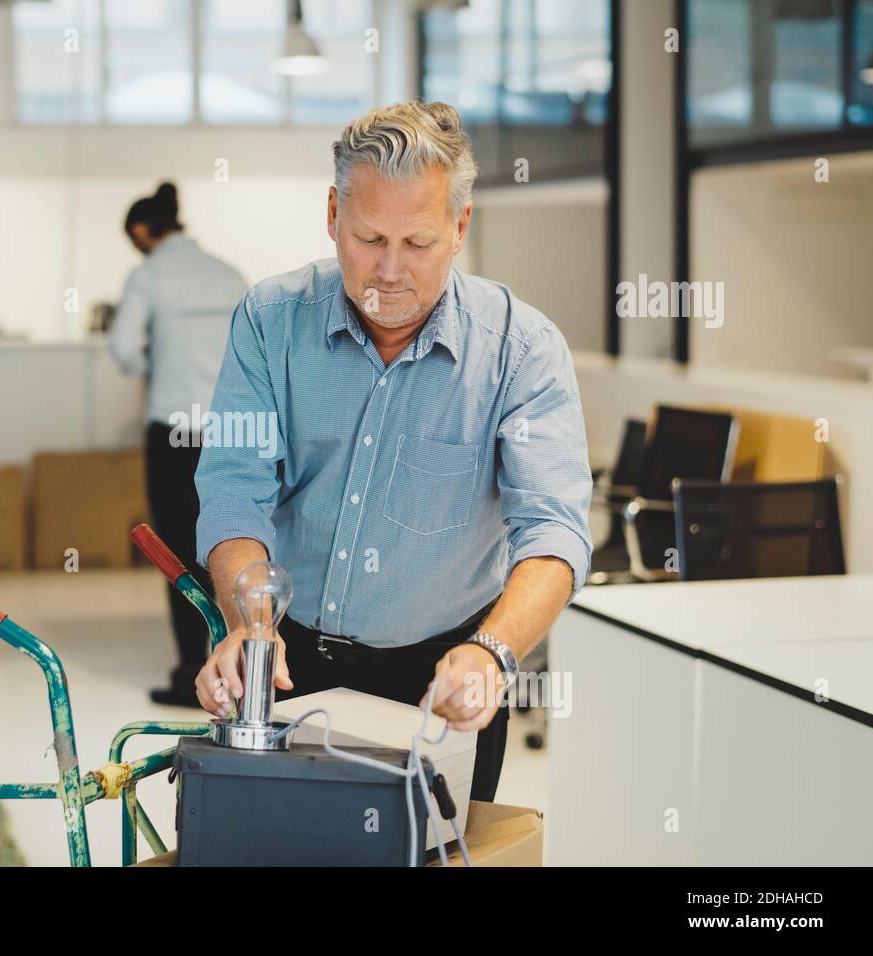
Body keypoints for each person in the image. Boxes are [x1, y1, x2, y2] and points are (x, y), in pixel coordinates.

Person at [192, 102, 593, 802]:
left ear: (461, 227)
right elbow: (233, 490)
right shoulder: (269, 322)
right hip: (286, 663)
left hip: (444, 675)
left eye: (418, 242)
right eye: (369, 237)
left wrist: (491, 654)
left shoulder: (522, 352)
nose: (388, 270)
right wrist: (247, 623)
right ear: (332, 215)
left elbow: (553, 531)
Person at [108, 181, 249, 707]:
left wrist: (156, 367)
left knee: (176, 548)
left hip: (174, 428)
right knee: (235, 535)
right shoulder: (228, 274)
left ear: (144, 231)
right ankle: (242, 661)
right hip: (233, 425)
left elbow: (122, 349)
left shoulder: (148, 276)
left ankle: (194, 669)